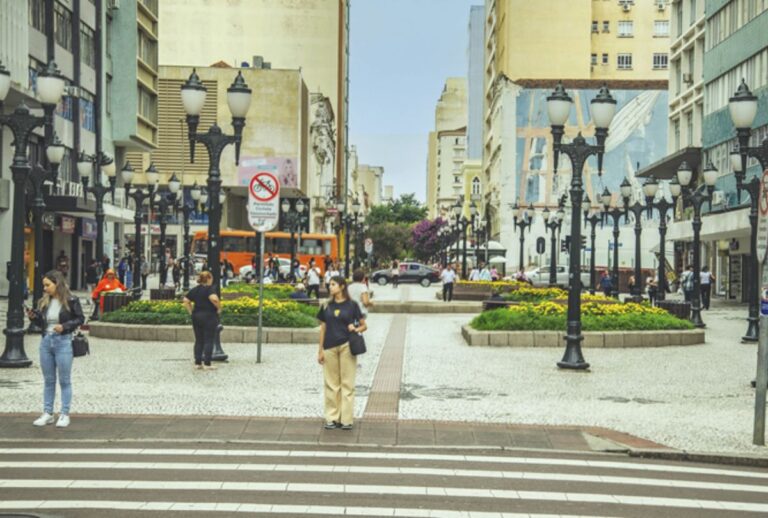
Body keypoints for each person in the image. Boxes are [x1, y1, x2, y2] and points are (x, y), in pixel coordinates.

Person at [26, 270, 84, 428]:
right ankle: (48, 413)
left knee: (64, 380)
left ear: (57, 284)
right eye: (44, 285)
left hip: (63, 341)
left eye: (47, 285)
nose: (45, 288)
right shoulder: (45, 302)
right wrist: (34, 318)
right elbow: (42, 324)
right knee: (48, 380)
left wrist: (64, 326)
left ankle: (64, 414)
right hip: (46, 341)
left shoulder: (71, 300)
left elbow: (80, 318)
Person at [316, 276, 367, 431]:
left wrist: (355, 329)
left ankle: (346, 419)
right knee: (331, 384)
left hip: (347, 346)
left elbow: (364, 326)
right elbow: (323, 328)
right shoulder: (326, 306)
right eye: (329, 284)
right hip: (329, 347)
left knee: (347, 383)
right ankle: (332, 418)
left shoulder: (352, 305)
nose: (330, 287)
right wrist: (320, 350)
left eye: (333, 284)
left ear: (342, 286)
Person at [182, 271, 221, 371]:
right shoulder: (209, 289)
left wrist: (191, 311)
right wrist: (219, 308)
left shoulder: (195, 289)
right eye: (211, 278)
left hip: (196, 316)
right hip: (209, 316)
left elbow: (186, 300)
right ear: (208, 278)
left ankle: (198, 363)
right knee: (209, 339)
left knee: (199, 340)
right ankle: (207, 364)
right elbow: (214, 299)